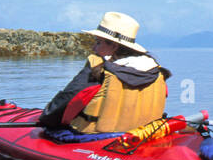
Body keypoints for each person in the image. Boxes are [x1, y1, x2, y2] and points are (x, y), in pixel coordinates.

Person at [37, 12, 170, 134]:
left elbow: (68, 99)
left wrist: (46, 119)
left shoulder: (99, 68)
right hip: (144, 135)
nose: (93, 48)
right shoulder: (156, 72)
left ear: (114, 46)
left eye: (98, 42)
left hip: (94, 136)